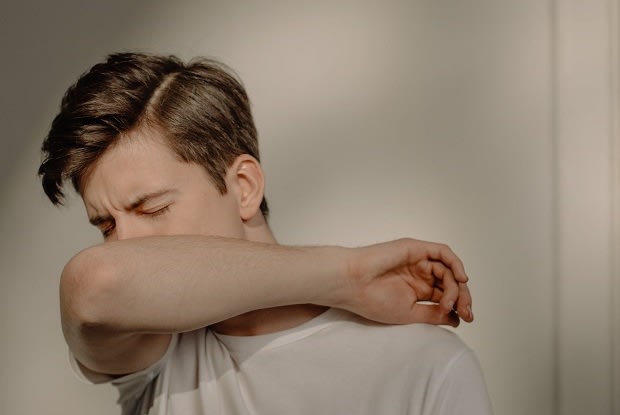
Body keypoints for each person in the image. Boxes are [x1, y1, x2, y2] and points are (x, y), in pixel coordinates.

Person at [38, 52, 493, 415]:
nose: (125, 246)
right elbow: (95, 284)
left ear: (244, 188)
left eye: (152, 208)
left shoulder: (423, 364)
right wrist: (348, 274)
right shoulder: (154, 351)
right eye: (107, 226)